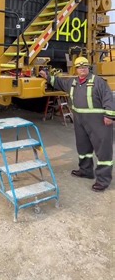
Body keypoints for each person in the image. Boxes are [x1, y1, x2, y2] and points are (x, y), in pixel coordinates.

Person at [40, 57, 114, 192]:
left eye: (85, 67)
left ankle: (103, 180)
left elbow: (108, 97)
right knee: (83, 146)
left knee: (103, 151)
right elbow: (58, 82)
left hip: (98, 121)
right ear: (76, 69)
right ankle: (86, 171)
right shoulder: (72, 82)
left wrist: (110, 115)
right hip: (80, 120)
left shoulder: (98, 82)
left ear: (88, 68)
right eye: (80, 67)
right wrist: (47, 76)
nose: (82, 69)